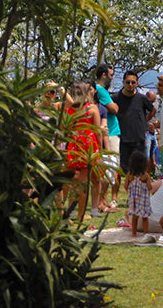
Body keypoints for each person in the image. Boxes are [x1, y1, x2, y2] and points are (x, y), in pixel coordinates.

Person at [62, 81, 101, 222]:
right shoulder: (92, 108)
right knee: (84, 183)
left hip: (73, 144)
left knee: (71, 180)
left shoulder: (68, 109)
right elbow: (97, 131)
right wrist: (100, 149)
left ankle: (68, 212)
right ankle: (80, 214)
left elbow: (65, 129)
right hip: (88, 145)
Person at [112, 71, 154, 180]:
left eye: (133, 82)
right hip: (122, 137)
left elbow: (153, 110)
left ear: (137, 83)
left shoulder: (142, 98)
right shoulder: (116, 98)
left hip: (138, 138)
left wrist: (144, 121)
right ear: (123, 82)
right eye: (128, 82)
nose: (130, 85)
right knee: (123, 168)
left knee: (138, 168)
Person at [94, 64, 121, 207]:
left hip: (108, 132)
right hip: (109, 133)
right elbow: (115, 109)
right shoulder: (101, 91)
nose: (112, 77)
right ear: (104, 75)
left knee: (107, 168)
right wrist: (113, 105)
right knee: (109, 167)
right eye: (111, 75)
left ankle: (102, 200)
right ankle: (102, 201)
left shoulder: (100, 91)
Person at [126, 150, 154, 237]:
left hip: (134, 200)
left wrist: (131, 191)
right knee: (145, 217)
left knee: (135, 217)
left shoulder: (130, 175)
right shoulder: (145, 176)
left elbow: (125, 186)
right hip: (144, 200)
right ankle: (146, 233)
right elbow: (150, 187)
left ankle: (134, 233)